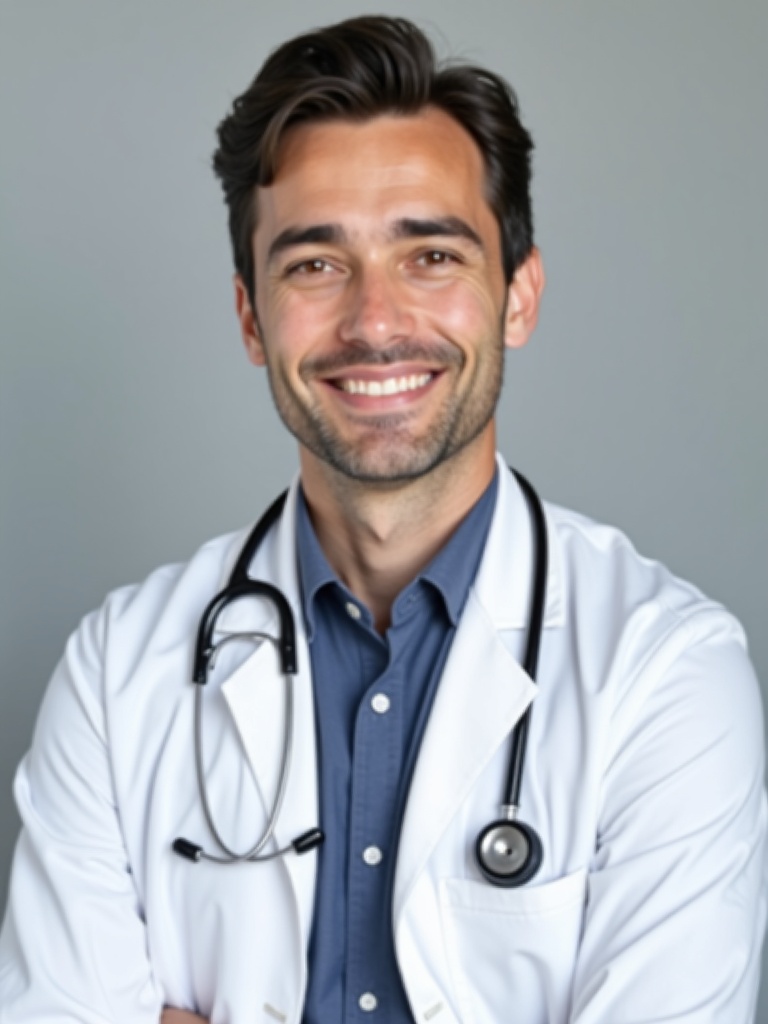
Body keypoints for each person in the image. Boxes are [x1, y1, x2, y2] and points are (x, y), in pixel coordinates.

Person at [0, 14, 765, 1024]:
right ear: (249, 316)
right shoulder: (115, 677)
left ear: (519, 296)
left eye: (432, 256)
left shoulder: (667, 672)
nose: (373, 320)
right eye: (315, 264)